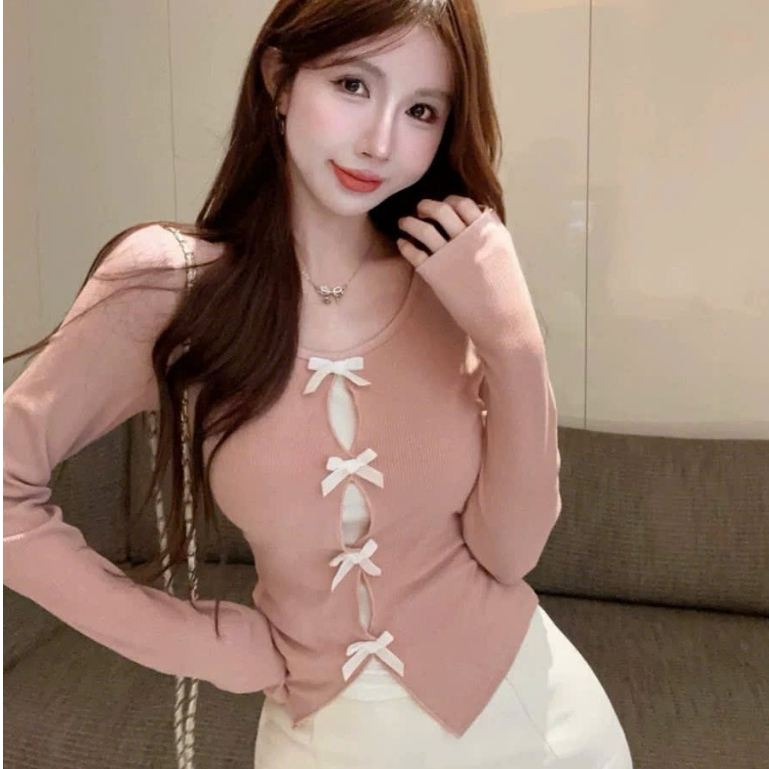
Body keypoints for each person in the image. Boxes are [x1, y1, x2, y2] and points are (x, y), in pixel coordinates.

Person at [3, 0, 633, 767]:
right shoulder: (169, 285)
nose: (379, 142)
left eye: (421, 110)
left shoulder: (450, 280)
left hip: (539, 723)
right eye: (352, 85)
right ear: (279, 78)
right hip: (323, 737)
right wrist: (202, 643)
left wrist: (516, 346)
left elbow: (509, 554)